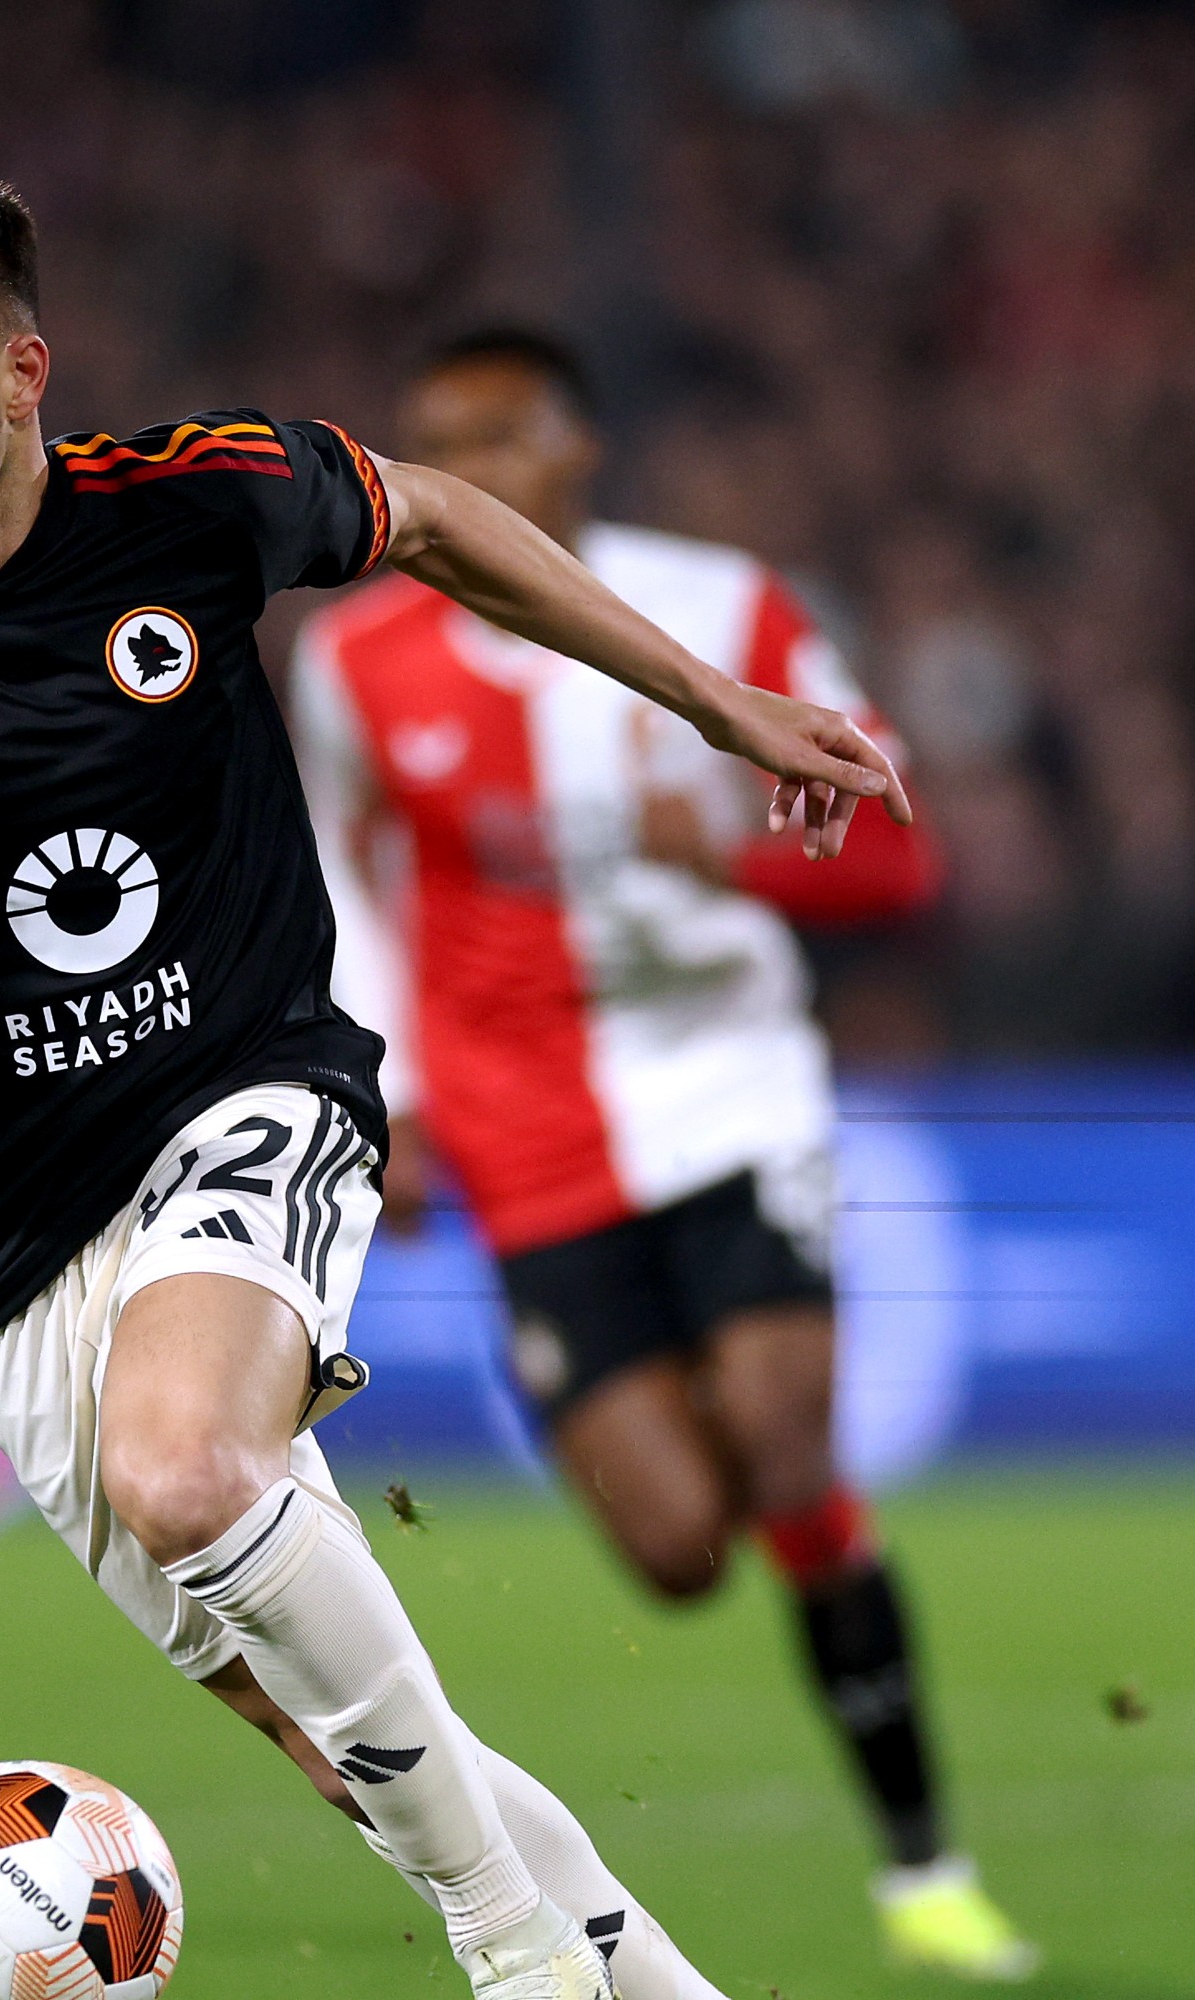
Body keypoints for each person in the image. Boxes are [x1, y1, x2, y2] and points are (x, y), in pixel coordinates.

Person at [0, 163, 899, 2000]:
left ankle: (511, 1947)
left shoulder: (197, 499)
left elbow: (437, 518)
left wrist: (715, 703)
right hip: (1, 1259)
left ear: (22, 371)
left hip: (250, 1092)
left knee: (191, 1468)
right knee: (361, 1747)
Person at [291, 329, 1032, 1982]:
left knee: (785, 1441)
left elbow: (900, 857)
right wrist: (383, 1093)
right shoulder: (351, 663)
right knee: (681, 1550)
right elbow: (357, 891)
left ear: (579, 448)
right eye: (432, 438)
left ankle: (924, 1871)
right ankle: (801, 1546)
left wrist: (742, 860)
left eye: (498, 431)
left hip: (726, 1098)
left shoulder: (722, 614)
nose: (462, 462)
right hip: (525, 1142)